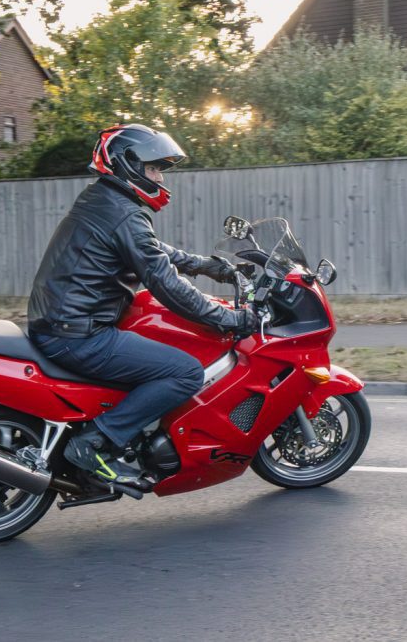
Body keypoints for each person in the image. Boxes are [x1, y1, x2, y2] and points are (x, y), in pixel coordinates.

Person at [27, 123, 258, 488]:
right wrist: (229, 318)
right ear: (127, 165)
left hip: (64, 322)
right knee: (184, 371)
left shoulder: (105, 200)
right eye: (152, 168)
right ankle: (95, 442)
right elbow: (164, 282)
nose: (158, 177)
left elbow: (152, 252)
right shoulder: (123, 212)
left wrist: (208, 266)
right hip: (78, 333)